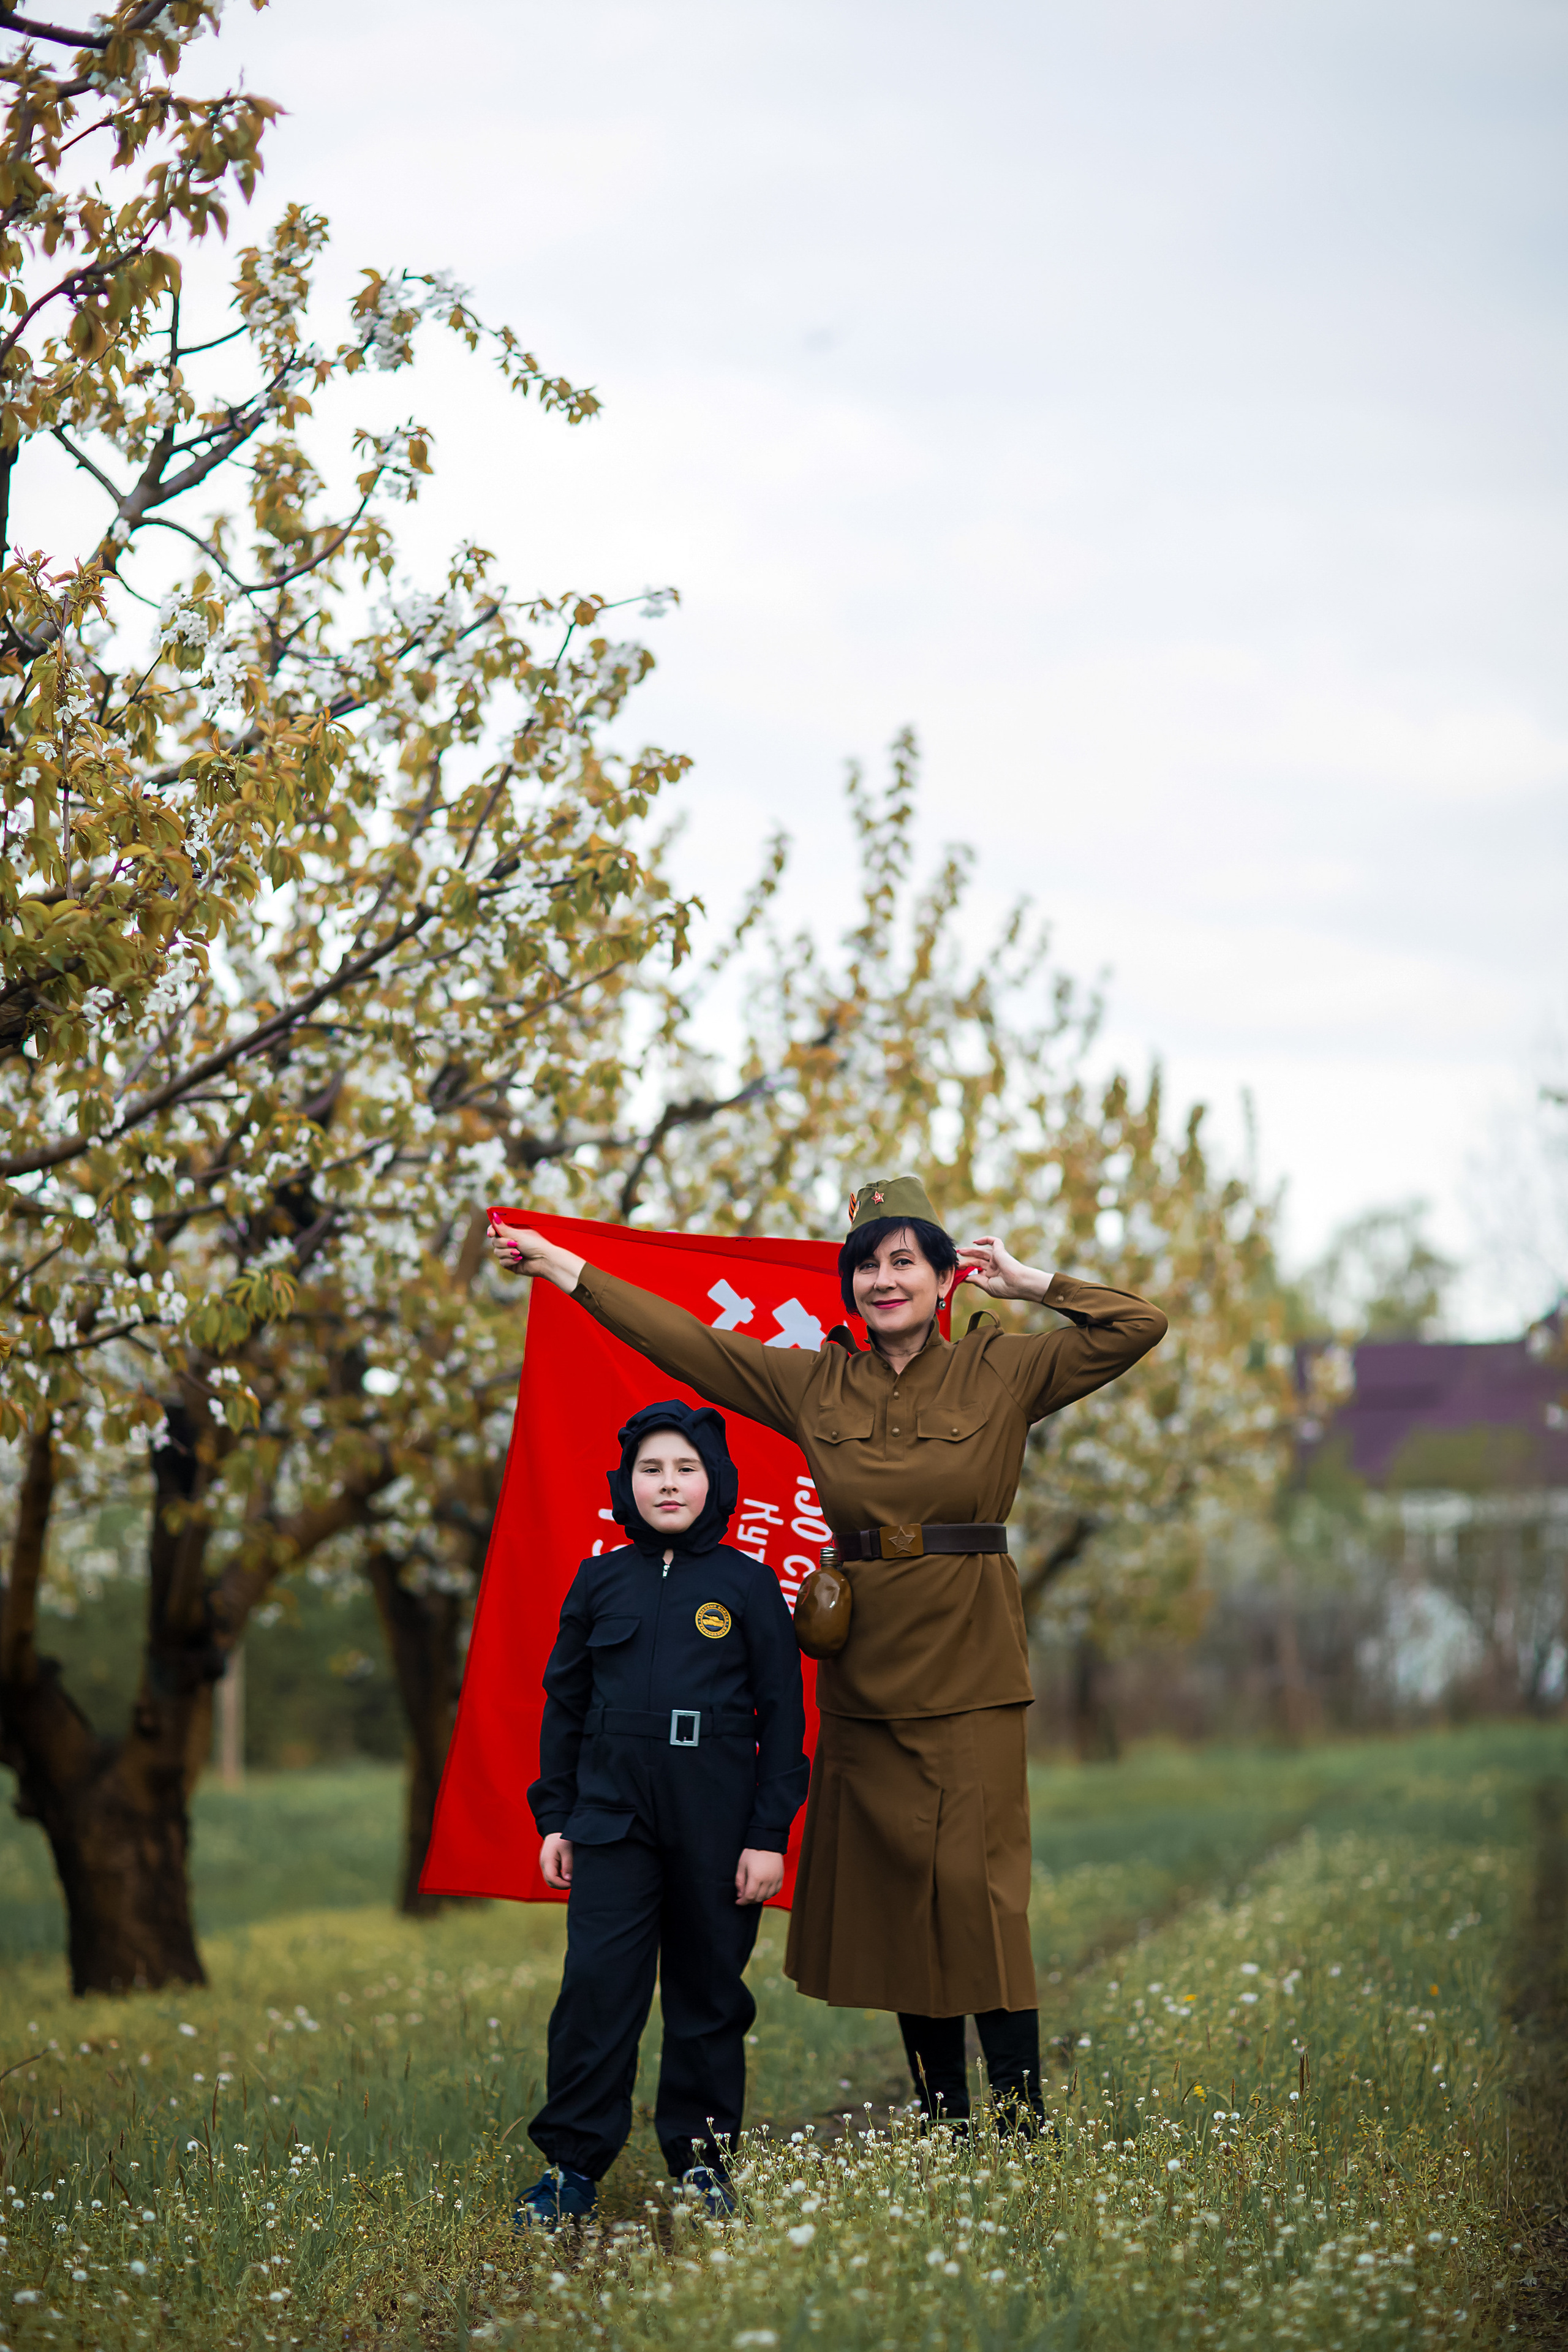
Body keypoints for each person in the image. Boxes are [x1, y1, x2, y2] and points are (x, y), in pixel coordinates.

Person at [492, 1177, 1166, 2136]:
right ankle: (946, 2122)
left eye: (905, 1262)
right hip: (864, 1676)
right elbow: (691, 1345)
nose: (883, 1281)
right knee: (902, 1896)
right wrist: (565, 1269)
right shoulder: (816, 1384)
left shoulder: (1003, 1369)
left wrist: (1029, 1282)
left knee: (978, 1893)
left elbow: (1138, 1326)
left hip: (971, 1668)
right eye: (867, 1266)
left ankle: (1021, 2126)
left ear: (945, 1278)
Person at [515, 1401, 808, 2229]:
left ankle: (702, 2165)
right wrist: (556, 1817)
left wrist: (767, 1835)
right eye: (651, 1469)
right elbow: (564, 1705)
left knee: (707, 1993)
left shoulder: (749, 1585)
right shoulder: (599, 1580)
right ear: (627, 1484)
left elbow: (785, 1718)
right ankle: (572, 2168)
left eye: (686, 1468)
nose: (668, 1484)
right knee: (596, 1989)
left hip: (716, 1815)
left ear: (716, 1482)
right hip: (611, 1817)